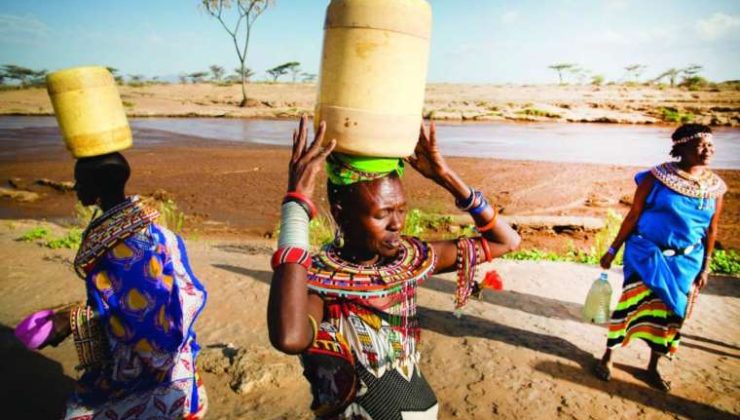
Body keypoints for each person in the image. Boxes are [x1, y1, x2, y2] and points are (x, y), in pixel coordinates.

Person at [267, 116, 520, 418]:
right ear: (341, 214)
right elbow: (289, 337)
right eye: (382, 213)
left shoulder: (409, 260)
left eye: (401, 209)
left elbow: (506, 241)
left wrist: (446, 176)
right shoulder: (320, 284)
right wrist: (296, 206)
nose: (397, 223)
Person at [33, 152, 208, 419]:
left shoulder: (123, 250)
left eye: (80, 181)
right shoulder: (154, 232)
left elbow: (138, 315)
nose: (76, 188)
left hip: (147, 364)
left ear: (98, 187)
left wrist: (70, 321)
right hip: (170, 353)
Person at [594, 124, 726, 392]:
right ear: (683, 148)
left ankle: (653, 366)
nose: (708, 150)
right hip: (646, 254)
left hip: (687, 263)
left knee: (671, 315)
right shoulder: (656, 178)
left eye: (710, 145)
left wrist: (706, 267)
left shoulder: (715, 188)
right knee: (629, 308)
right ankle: (608, 357)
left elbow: (712, 230)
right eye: (701, 145)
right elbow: (633, 216)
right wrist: (612, 249)